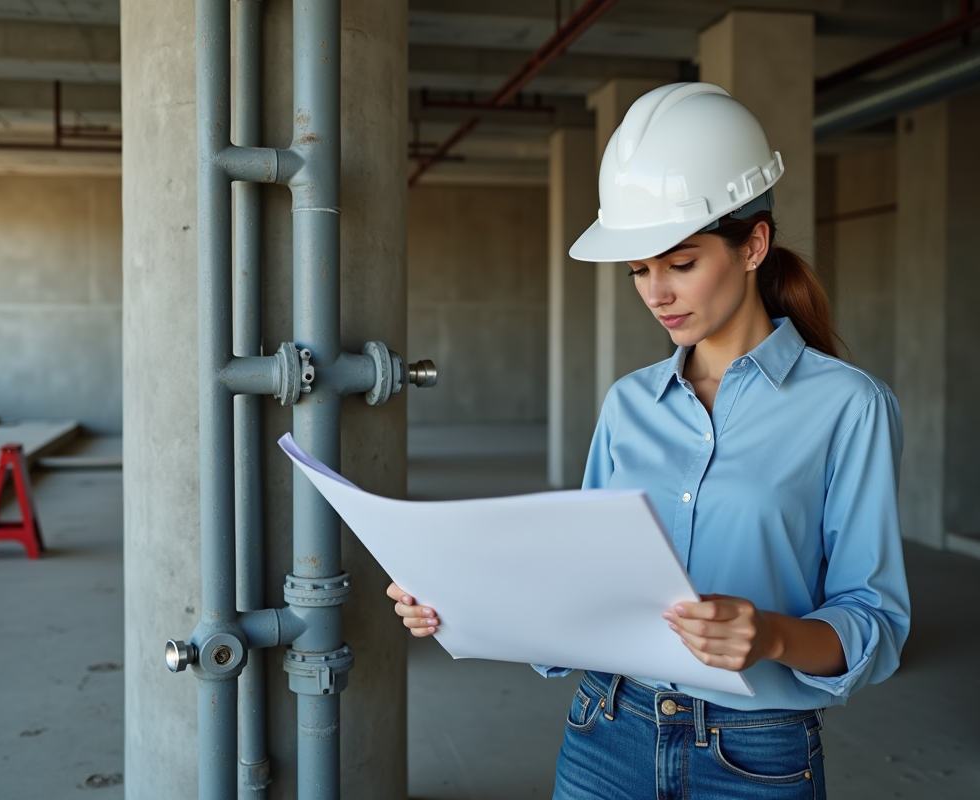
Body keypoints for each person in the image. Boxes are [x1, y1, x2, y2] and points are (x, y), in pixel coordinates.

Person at [386, 82, 910, 799]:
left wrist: (773, 637)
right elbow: (582, 585)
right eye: (639, 269)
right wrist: (458, 601)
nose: (656, 292)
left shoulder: (849, 407)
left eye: (681, 263)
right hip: (604, 733)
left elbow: (875, 622)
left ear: (754, 245)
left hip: (754, 757)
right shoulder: (628, 403)